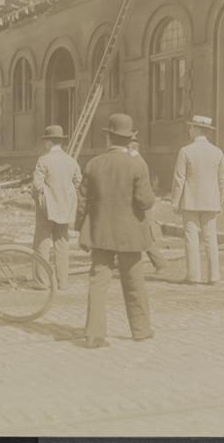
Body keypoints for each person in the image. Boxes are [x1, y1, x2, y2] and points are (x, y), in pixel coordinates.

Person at [76, 113, 155, 349]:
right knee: (134, 282)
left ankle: (94, 334)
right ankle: (141, 330)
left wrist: (79, 228)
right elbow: (145, 201)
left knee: (98, 282)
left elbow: (82, 202)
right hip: (130, 233)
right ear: (129, 138)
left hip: (100, 232)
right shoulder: (138, 164)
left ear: (109, 137)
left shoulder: (93, 164)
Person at [171, 115, 224, 285]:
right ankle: (214, 276)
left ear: (196, 129)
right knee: (211, 239)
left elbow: (179, 179)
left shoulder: (185, 151)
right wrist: (220, 201)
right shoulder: (217, 152)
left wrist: (175, 202)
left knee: (191, 239)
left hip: (190, 202)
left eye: (191, 127)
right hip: (211, 202)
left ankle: (193, 276)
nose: (189, 130)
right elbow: (222, 179)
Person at [31, 125, 81, 291]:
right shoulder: (71, 161)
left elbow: (37, 185)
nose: (45, 144)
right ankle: (63, 281)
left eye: (46, 141)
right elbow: (78, 182)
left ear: (50, 142)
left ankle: (42, 281)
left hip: (46, 208)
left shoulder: (43, 160)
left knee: (42, 243)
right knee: (62, 244)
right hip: (64, 208)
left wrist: (40, 198)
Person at [128, 136, 169, 274]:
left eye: (128, 147)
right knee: (138, 234)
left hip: (139, 203)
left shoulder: (135, 162)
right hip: (138, 202)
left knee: (144, 236)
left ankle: (160, 263)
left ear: (132, 147)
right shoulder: (138, 160)